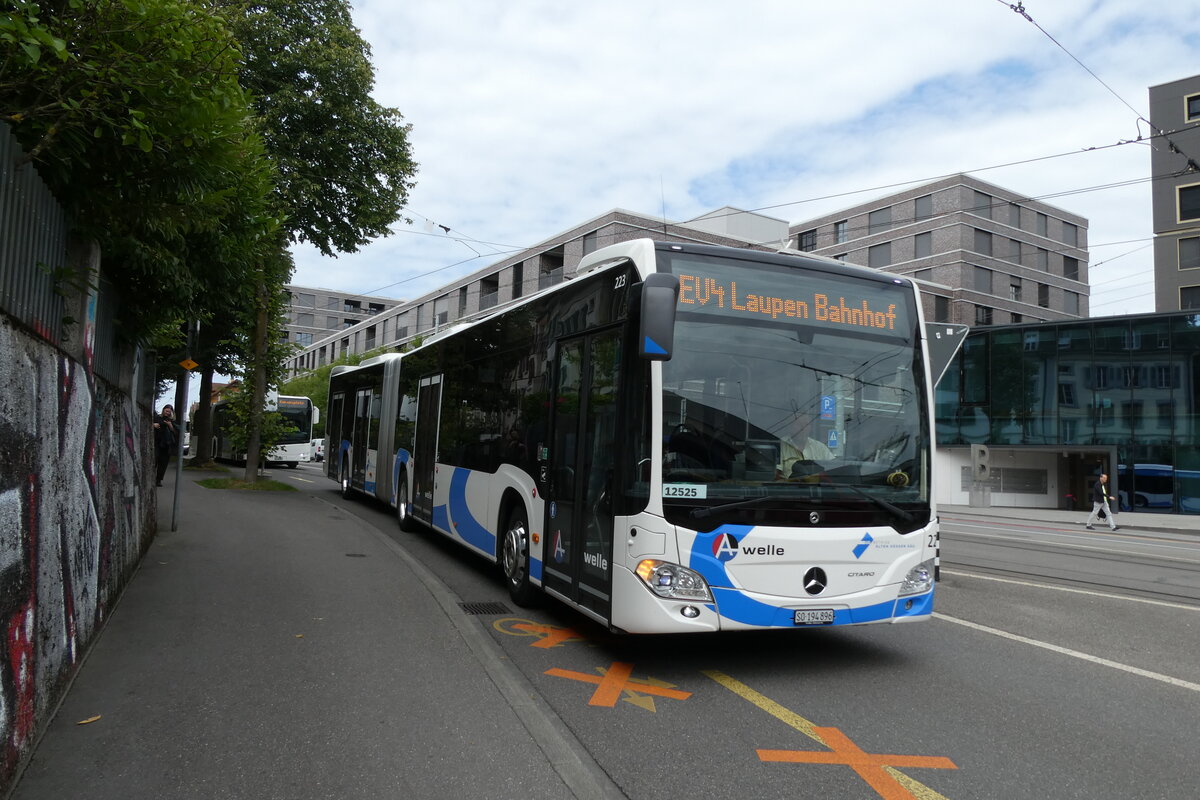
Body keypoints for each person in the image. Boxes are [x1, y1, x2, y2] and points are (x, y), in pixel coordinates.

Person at [776, 412, 834, 479]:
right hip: (790, 487)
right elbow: (776, 476)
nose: (803, 428)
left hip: (818, 487)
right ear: (790, 426)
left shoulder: (820, 447)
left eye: (806, 424)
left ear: (810, 428)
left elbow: (833, 470)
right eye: (799, 425)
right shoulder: (780, 446)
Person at [153, 404, 178, 487]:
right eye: (166, 411)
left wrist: (170, 425)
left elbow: (175, 432)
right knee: (154, 461)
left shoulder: (171, 421)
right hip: (156, 443)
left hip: (166, 445)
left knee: (163, 464)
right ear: (163, 410)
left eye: (169, 412)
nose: (167, 413)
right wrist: (154, 425)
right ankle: (151, 478)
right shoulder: (157, 418)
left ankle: (158, 480)